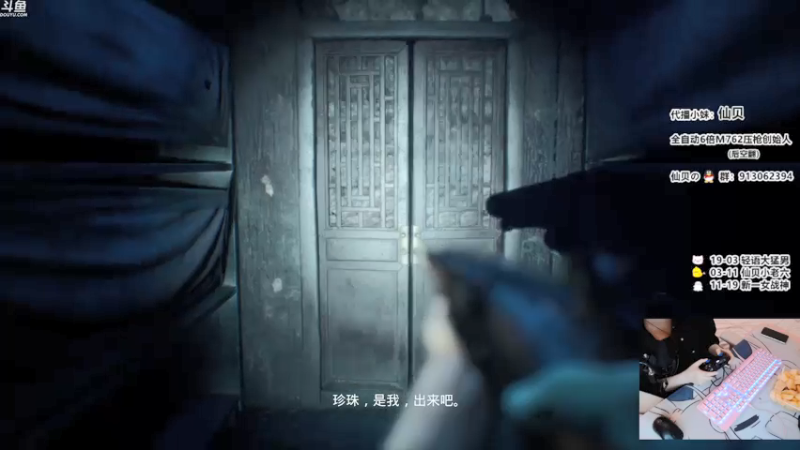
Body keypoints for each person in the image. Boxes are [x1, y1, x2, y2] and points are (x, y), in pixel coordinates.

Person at [639, 319, 734, 398]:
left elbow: (707, 337)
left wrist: (714, 348)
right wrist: (685, 378)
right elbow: (646, 390)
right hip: (666, 398)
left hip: (706, 381)